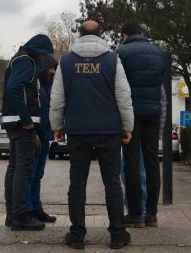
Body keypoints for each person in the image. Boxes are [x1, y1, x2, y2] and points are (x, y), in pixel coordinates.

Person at [50, 20, 134, 250]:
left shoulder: (66, 60)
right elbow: (123, 97)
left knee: (77, 183)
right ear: (100, 35)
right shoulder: (112, 59)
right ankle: (117, 234)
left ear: (80, 35)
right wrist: (127, 127)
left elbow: (57, 97)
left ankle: (77, 235)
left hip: (77, 131)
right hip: (108, 130)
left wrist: (57, 125)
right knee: (112, 183)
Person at [2, 34, 54, 231]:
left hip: (13, 122)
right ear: (39, 50)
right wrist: (26, 119)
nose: (44, 59)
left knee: (15, 168)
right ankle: (20, 216)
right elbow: (14, 88)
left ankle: (12, 215)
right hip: (22, 123)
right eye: (45, 54)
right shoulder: (26, 60)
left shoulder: (20, 58)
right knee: (23, 169)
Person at [117, 20, 166, 228]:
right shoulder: (159, 53)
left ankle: (135, 214)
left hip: (132, 113)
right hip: (153, 113)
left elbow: (118, 85)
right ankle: (152, 214)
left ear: (124, 35)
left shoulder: (122, 53)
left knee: (131, 162)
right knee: (152, 161)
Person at [26, 55, 58, 223]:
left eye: (54, 68)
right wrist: (34, 132)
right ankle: (28, 209)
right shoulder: (35, 85)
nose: (53, 71)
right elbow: (32, 109)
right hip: (37, 134)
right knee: (30, 174)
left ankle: (37, 207)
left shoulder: (48, 86)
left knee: (38, 173)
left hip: (46, 134)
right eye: (50, 68)